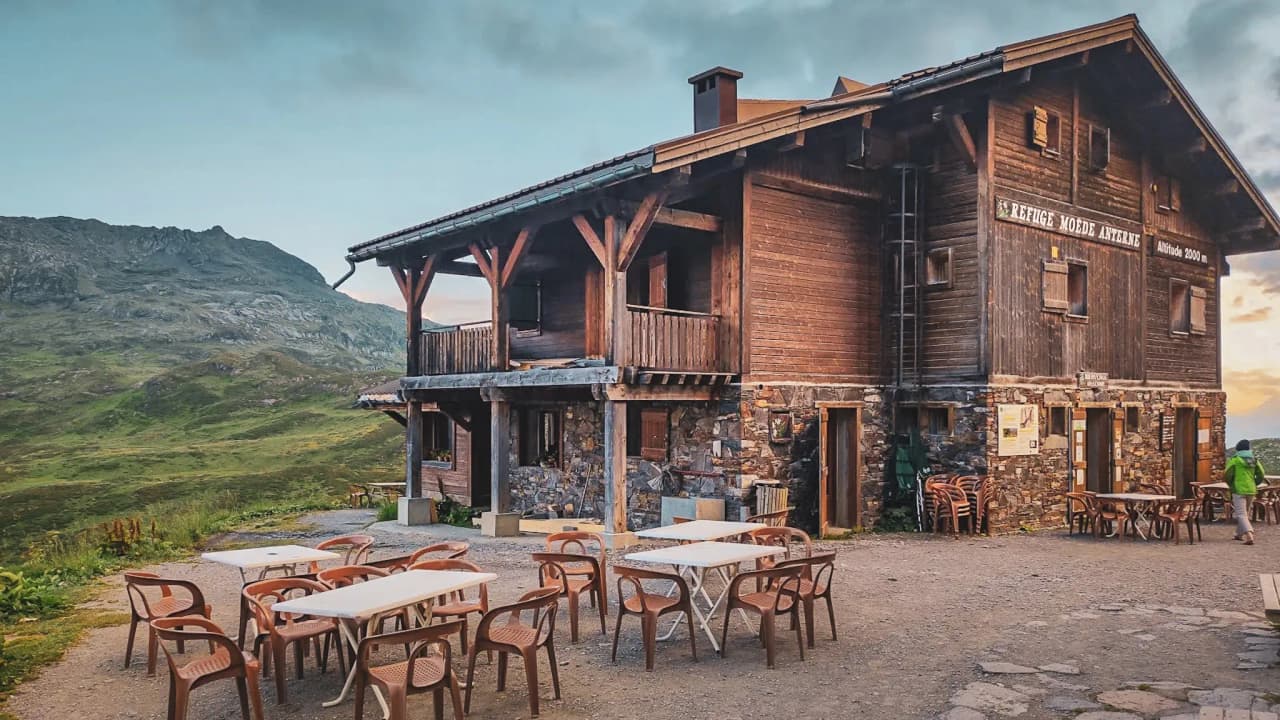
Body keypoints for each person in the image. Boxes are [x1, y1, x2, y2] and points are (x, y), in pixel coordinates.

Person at [1224, 439, 1265, 545]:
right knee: (1245, 513)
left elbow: (1227, 474)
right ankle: (1238, 534)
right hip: (1251, 490)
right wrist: (1255, 483)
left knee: (1241, 514)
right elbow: (1261, 474)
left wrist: (1231, 484)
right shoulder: (1254, 460)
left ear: (1238, 448)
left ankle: (1249, 535)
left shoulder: (1235, 460)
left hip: (1238, 489)